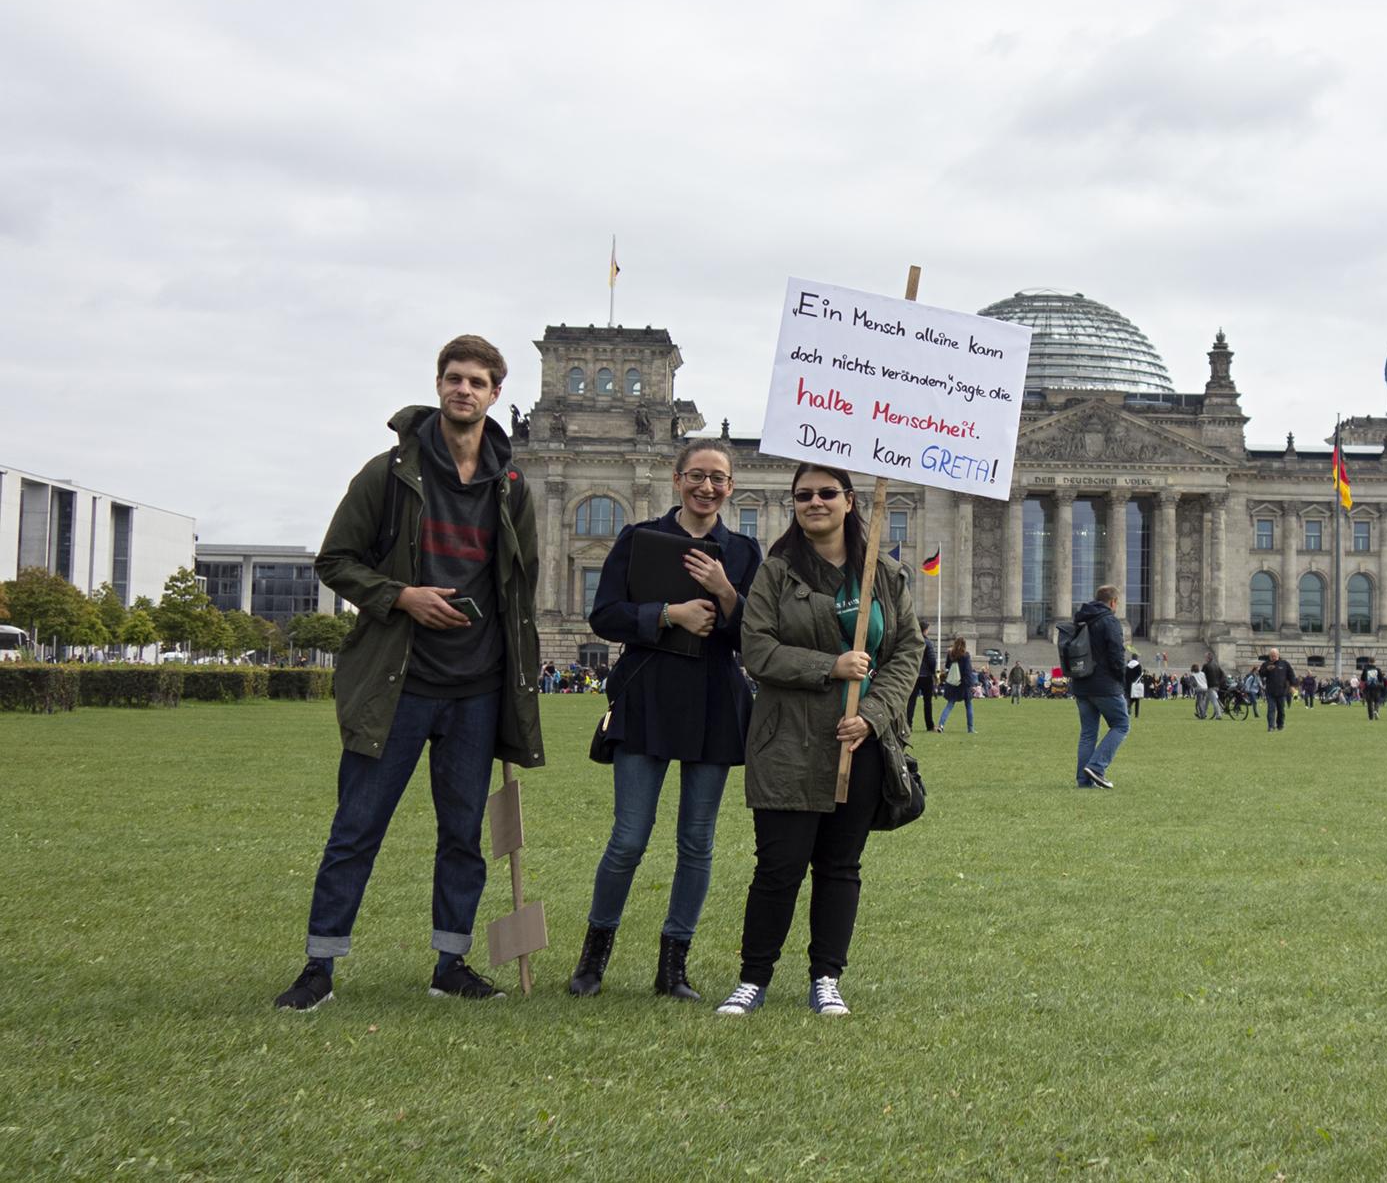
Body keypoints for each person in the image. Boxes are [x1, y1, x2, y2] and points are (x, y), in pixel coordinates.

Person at [276, 335, 542, 1011]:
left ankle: (449, 965)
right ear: (439, 383)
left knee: (463, 836)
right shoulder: (388, 472)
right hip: (398, 683)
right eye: (454, 378)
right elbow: (335, 559)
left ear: (495, 394)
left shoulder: (511, 486)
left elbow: (521, 584)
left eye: (478, 381)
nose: (464, 390)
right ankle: (319, 969)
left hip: (475, 689)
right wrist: (402, 596)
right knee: (356, 828)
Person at [716, 463, 922, 1017]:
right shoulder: (776, 572)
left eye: (827, 493)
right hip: (787, 740)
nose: (815, 502)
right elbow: (756, 651)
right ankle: (753, 978)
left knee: (840, 866)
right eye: (803, 495)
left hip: (861, 742)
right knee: (778, 866)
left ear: (849, 501)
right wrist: (830, 665)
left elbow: (908, 651)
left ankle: (827, 977)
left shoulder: (883, 573)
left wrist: (874, 715)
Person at [566, 438, 760, 1001]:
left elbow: (754, 637)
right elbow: (603, 614)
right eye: (697, 475)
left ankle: (673, 967)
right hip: (648, 692)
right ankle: (593, 957)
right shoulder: (639, 538)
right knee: (628, 838)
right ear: (677, 479)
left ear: (730, 487)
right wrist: (668, 614)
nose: (707, 487)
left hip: (714, 699)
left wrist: (726, 592)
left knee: (697, 842)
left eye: (718, 479)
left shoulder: (744, 552)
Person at [1071, 583, 1131, 788]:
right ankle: (1097, 767)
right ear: (1113, 601)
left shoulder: (1080, 619)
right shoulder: (1110, 621)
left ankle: (1084, 781)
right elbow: (1117, 655)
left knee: (1088, 734)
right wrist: (1121, 680)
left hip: (1081, 685)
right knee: (1121, 725)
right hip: (1105, 685)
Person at [938, 638, 976, 733]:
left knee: (949, 704)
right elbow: (968, 671)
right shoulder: (966, 655)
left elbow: (947, 667)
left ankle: (941, 724)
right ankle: (970, 728)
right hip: (963, 683)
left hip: (952, 683)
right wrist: (972, 685)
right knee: (968, 705)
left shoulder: (950, 654)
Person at [908, 623, 937, 733]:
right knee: (927, 702)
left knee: (912, 701)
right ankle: (930, 725)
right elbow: (931, 660)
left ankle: (908, 725)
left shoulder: (912, 642)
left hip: (914, 674)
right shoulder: (927, 642)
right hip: (926, 675)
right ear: (925, 631)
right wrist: (932, 671)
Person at [1260, 649, 1296, 731]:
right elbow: (1261, 674)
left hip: (1281, 691)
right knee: (1271, 709)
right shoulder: (1266, 664)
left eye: (1274, 656)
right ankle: (1271, 726)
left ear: (1278, 655)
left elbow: (1291, 675)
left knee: (1281, 710)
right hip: (1270, 691)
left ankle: (1280, 725)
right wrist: (1267, 670)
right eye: (1271, 656)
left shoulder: (1284, 664)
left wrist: (1293, 685)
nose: (1273, 658)